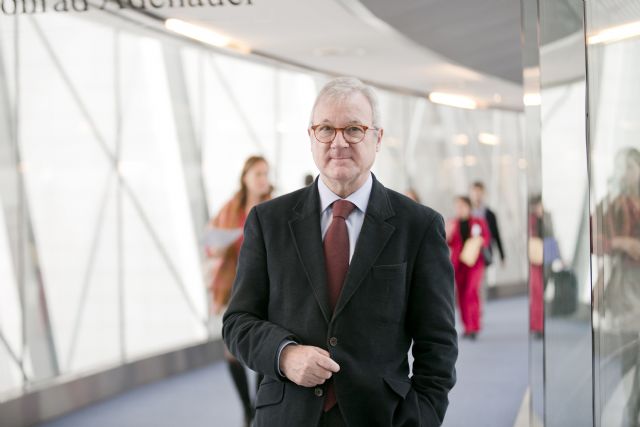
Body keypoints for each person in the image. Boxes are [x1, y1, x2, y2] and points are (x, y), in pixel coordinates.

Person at [223, 77, 457, 427]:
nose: (339, 142)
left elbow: (437, 344)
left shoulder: (418, 226)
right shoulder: (268, 221)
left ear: (377, 138)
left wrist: (419, 419)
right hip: (287, 416)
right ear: (311, 137)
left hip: (382, 417)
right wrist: (284, 355)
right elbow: (238, 323)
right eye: (326, 129)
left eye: (353, 129)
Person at [207, 155, 272, 427]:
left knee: (260, 348)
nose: (262, 179)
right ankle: (247, 408)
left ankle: (258, 407)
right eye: (257, 173)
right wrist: (225, 242)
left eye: (266, 174)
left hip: (267, 287)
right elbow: (211, 245)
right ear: (245, 177)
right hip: (233, 286)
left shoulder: (274, 207)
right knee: (231, 352)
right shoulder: (230, 209)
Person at [593, 148, 640, 425]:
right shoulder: (613, 203)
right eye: (619, 166)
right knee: (628, 362)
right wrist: (621, 243)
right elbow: (594, 237)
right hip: (626, 294)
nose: (623, 173)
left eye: (629, 167)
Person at [446, 196, 490, 340]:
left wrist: (478, 242)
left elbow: (486, 239)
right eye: (457, 206)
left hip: (475, 263)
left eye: (462, 206)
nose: (459, 209)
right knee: (462, 294)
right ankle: (467, 326)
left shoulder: (478, 222)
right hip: (459, 263)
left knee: (471, 292)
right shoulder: (454, 223)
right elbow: (449, 243)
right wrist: (449, 233)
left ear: (468, 207)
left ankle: (474, 326)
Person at [470, 181, 505, 265]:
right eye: (475, 192)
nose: (477, 195)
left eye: (479, 192)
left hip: (486, 253)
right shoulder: (468, 213)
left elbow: (496, 234)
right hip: (470, 254)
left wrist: (502, 256)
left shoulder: (490, 214)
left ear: (483, 194)